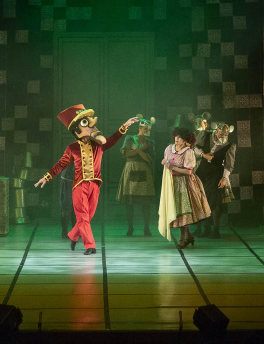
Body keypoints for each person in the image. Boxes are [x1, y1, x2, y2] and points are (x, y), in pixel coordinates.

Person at [35, 104, 139, 255]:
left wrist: (125, 126)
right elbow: (60, 164)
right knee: (82, 216)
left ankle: (73, 235)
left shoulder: (98, 145)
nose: (92, 127)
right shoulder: (72, 148)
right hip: (79, 186)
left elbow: (112, 139)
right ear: (77, 130)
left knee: (87, 217)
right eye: (86, 123)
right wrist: (47, 177)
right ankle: (90, 246)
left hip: (95, 185)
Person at [158, 126, 211, 248]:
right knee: (176, 210)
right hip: (172, 182)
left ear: (185, 139)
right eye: (176, 136)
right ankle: (189, 236)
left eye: (180, 137)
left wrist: (171, 167)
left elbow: (188, 171)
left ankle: (183, 238)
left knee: (183, 211)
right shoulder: (168, 149)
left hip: (185, 183)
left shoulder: (188, 152)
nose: (177, 139)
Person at [116, 115, 156, 236]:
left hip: (143, 169)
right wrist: (142, 150)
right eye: (145, 128)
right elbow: (126, 153)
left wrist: (138, 150)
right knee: (130, 201)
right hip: (131, 167)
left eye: (148, 129)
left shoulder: (150, 142)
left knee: (145, 202)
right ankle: (130, 227)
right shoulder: (129, 138)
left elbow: (149, 159)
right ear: (140, 128)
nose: (147, 131)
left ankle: (146, 228)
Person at [194, 122, 236, 238]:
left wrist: (224, 178)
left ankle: (216, 230)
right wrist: (204, 155)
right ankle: (206, 228)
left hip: (216, 174)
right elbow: (196, 148)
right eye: (221, 133)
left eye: (226, 134)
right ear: (216, 131)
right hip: (202, 172)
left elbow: (229, 164)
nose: (223, 136)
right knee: (202, 200)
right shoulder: (206, 136)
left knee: (215, 200)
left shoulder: (230, 145)